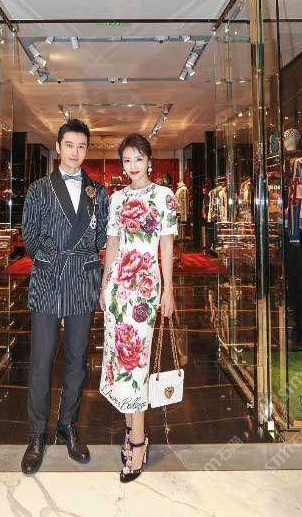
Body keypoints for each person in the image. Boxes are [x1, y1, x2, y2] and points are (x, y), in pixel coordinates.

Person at [21, 119, 109, 475]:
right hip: (47, 279)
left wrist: (78, 258)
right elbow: (29, 238)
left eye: (81, 146)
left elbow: (101, 237)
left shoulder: (97, 192)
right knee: (41, 361)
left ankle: (67, 425)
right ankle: (36, 434)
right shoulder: (39, 189)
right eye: (69, 145)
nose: (75, 152)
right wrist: (54, 256)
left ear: (87, 150)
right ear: (58, 148)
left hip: (82, 280)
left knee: (77, 359)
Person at [99, 134, 177, 483]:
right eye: (126, 160)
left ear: (149, 160)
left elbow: (166, 247)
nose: (132, 166)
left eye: (138, 159)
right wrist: (105, 286)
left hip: (145, 289)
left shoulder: (164, 197)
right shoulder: (117, 199)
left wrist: (168, 290)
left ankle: (138, 440)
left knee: (137, 362)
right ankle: (130, 426)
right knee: (119, 359)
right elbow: (112, 244)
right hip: (119, 288)